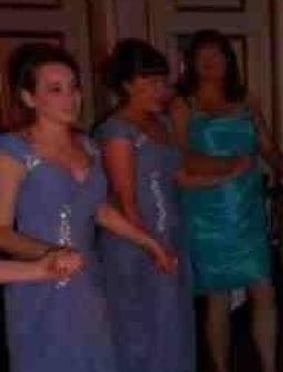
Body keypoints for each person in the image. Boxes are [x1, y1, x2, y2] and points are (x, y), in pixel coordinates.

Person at [0, 42, 176, 372]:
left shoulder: (88, 146)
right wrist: (51, 254)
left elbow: (99, 209)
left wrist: (149, 242)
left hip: (89, 276)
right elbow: (2, 232)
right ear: (29, 98)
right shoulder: (12, 150)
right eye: (55, 89)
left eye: (73, 87)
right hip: (40, 282)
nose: (70, 97)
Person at [171, 29, 283, 372]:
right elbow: (179, 156)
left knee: (263, 288)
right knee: (217, 296)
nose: (209, 62)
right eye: (202, 56)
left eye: (216, 55)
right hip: (206, 208)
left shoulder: (246, 100)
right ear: (191, 62)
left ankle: (269, 367)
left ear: (228, 60)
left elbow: (268, 148)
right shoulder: (183, 103)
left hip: (246, 206)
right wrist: (229, 166)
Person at [95, 39, 196, 372]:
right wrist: (152, 247)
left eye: (163, 82)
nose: (161, 90)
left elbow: (180, 177)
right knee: (140, 332)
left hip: (170, 234)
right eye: (151, 82)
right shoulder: (117, 130)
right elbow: (125, 201)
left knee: (173, 329)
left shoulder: (160, 124)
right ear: (127, 84)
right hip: (134, 242)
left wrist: (234, 172)